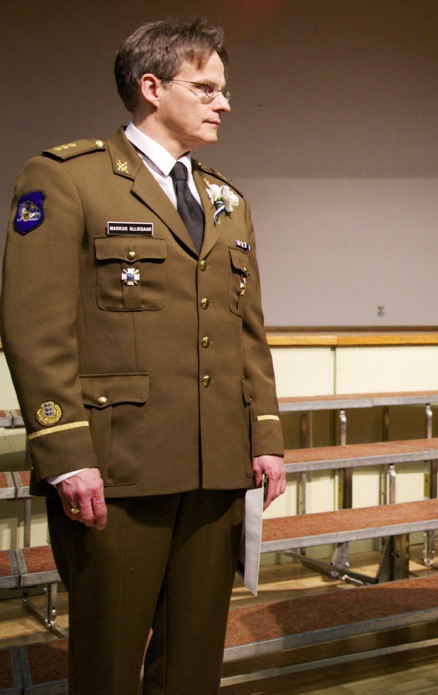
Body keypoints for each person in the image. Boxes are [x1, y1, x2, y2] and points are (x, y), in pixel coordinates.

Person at [0, 20, 286, 694]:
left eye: (223, 89)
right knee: (108, 659)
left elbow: (247, 329)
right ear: (152, 87)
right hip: (117, 462)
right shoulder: (68, 178)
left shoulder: (227, 199)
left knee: (193, 663)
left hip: (217, 463)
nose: (224, 103)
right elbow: (34, 328)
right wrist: (66, 452)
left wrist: (266, 435)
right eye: (206, 88)